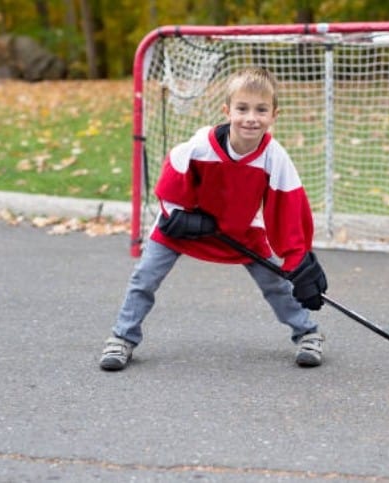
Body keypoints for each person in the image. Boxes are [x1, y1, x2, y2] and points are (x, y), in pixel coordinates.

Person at [99, 67, 328, 371]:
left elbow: (288, 207)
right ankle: (122, 338)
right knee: (144, 278)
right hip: (186, 226)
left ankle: (308, 333)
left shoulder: (274, 156)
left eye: (261, 110)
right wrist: (179, 215)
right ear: (227, 110)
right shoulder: (200, 146)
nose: (251, 117)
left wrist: (297, 259)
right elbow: (170, 183)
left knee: (275, 283)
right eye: (242, 108)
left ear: (274, 115)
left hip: (240, 230)